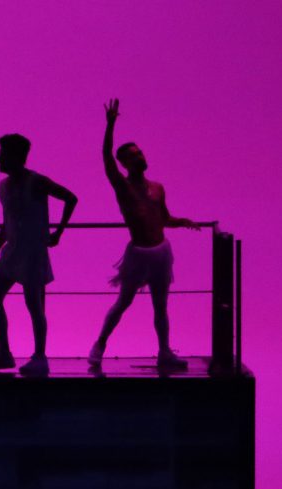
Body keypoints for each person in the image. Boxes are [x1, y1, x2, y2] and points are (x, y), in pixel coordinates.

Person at [89, 98, 200, 371]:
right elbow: (106, 160)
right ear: (126, 163)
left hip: (160, 252)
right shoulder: (123, 188)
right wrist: (110, 125)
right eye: (135, 155)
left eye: (141, 152)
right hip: (138, 254)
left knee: (161, 306)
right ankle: (100, 344)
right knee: (124, 301)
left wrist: (183, 221)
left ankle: (164, 351)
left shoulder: (158, 188)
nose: (141, 156)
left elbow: (163, 219)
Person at [0, 134, 78, 376]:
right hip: (12, 250)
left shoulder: (36, 181)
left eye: (2, 153)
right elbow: (8, 221)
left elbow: (70, 198)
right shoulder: (3, 186)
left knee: (34, 306)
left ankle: (39, 355)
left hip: (33, 251)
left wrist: (58, 232)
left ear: (16, 156)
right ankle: (4, 352)